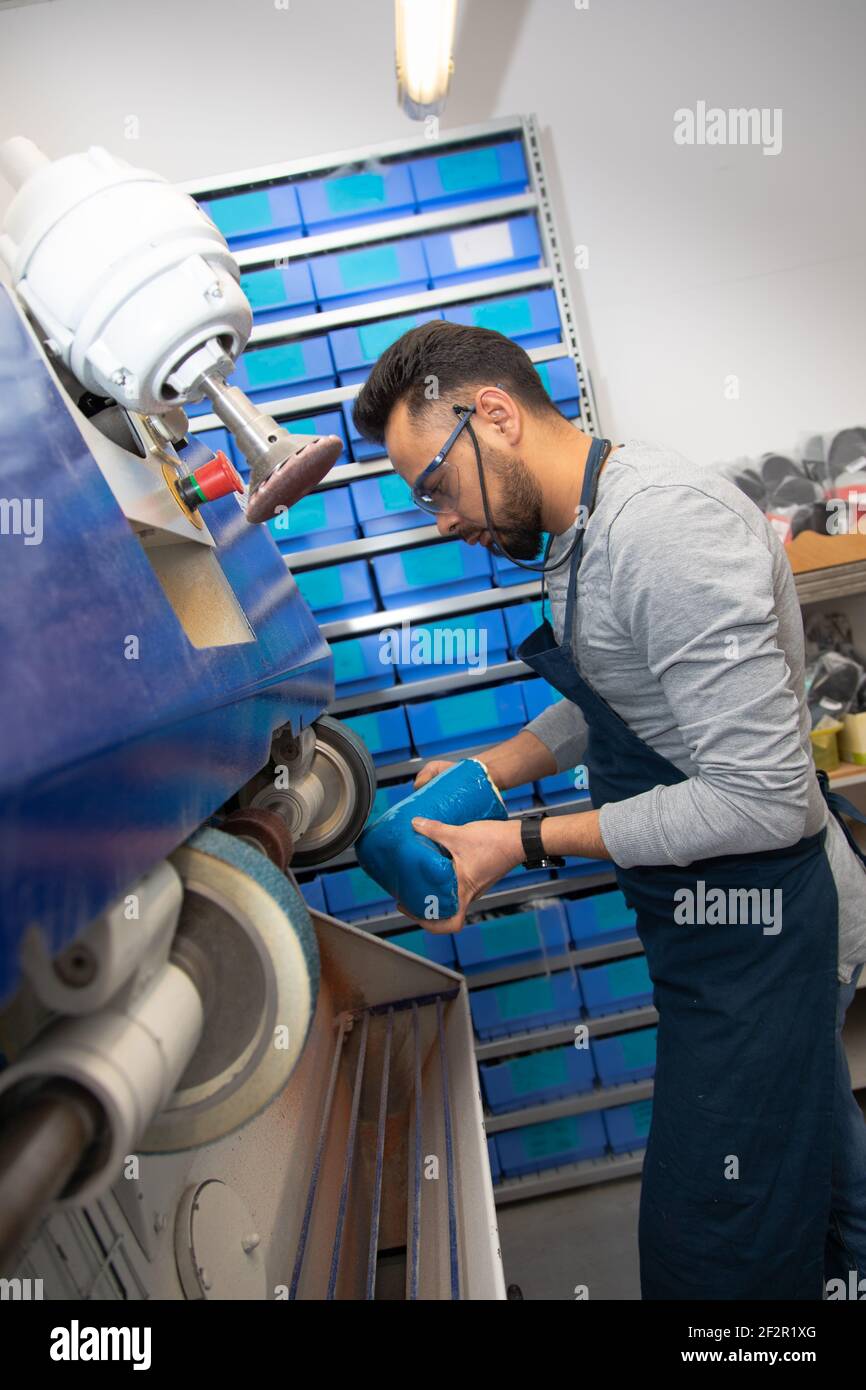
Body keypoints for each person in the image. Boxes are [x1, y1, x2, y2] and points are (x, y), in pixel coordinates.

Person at [350, 319, 866, 1300]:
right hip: (714, 928)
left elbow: (756, 802)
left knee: (718, 1245)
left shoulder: (664, 530)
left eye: (432, 486)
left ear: (490, 415)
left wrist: (523, 839)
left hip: (768, 922)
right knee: (825, 1183)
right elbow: (623, 684)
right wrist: (496, 764)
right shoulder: (579, 528)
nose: (439, 521)